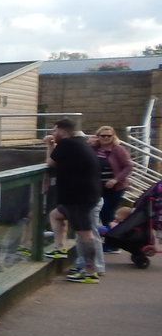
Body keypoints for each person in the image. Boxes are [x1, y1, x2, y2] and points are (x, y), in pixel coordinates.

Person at [44, 118, 102, 282]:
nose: (53, 134)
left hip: (79, 197)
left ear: (62, 130)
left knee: (85, 235)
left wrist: (49, 145)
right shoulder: (80, 143)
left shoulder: (66, 144)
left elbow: (50, 163)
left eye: (55, 131)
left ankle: (90, 272)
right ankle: (59, 248)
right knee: (56, 215)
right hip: (84, 194)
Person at [89, 125, 132, 249]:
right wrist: (87, 144)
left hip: (115, 187)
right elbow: (82, 158)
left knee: (106, 214)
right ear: (98, 136)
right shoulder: (94, 149)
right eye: (103, 135)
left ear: (113, 136)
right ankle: (108, 242)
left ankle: (113, 244)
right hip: (97, 187)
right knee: (95, 213)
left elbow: (128, 166)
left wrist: (115, 179)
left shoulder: (118, 149)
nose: (106, 138)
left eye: (109, 135)